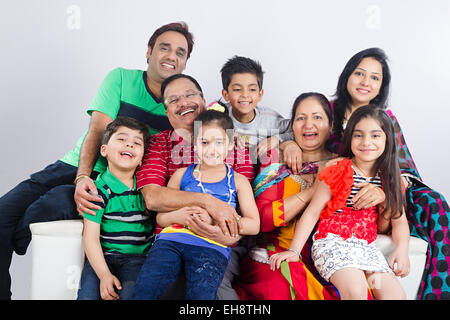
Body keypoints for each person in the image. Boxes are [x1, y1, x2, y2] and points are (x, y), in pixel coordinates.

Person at [0, 21, 194, 300]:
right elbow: (97, 132)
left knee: (55, 201)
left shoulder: (177, 106)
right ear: (149, 51)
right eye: (164, 48)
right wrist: (82, 178)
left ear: (185, 62)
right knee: (4, 212)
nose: (171, 56)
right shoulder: (121, 79)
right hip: (78, 164)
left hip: (116, 184)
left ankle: (20, 233)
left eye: (180, 52)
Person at [330, 48, 449, 300]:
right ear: (347, 76)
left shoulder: (388, 118)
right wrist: (288, 144)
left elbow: (403, 167)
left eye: (375, 77)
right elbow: (303, 135)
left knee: (437, 203)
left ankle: (437, 294)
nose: (366, 82)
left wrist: (384, 191)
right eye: (359, 73)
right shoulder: (327, 110)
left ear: (381, 85)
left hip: (390, 187)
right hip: (344, 192)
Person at [134, 73, 255, 299]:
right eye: (174, 100)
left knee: (215, 292)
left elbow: (244, 212)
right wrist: (207, 202)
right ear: (166, 110)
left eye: (190, 95)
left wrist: (228, 235)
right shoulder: (159, 144)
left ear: (202, 99)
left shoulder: (236, 148)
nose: (183, 103)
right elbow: (153, 199)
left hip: (220, 242)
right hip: (171, 240)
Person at [270, 106, 410, 300]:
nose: (366, 142)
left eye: (375, 136)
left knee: (395, 296)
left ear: (387, 139)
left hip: (366, 248)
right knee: (356, 291)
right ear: (350, 138)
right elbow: (312, 212)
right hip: (332, 244)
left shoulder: (390, 178)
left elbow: (399, 220)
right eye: (358, 135)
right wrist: (294, 250)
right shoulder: (338, 169)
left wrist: (402, 250)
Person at [233, 92, 341, 300]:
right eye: (301, 118)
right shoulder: (275, 159)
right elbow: (263, 220)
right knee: (280, 286)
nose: (308, 124)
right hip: (275, 251)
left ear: (331, 125)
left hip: (328, 256)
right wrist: (312, 191)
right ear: (292, 126)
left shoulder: (342, 165)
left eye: (317, 117)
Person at [77, 117, 151, 300]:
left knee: (132, 294)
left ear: (142, 158)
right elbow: (90, 238)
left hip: (138, 259)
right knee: (88, 295)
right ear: (104, 150)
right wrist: (104, 275)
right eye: (122, 139)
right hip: (104, 258)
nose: (129, 145)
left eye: (136, 143)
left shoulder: (147, 189)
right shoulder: (97, 191)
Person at [220, 55, 292, 163]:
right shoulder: (218, 115)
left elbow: (298, 130)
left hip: (261, 172)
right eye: (237, 89)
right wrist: (223, 135)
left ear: (260, 94)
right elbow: (198, 131)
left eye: (252, 89)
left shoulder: (271, 118)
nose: (245, 95)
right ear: (226, 94)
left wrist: (277, 139)